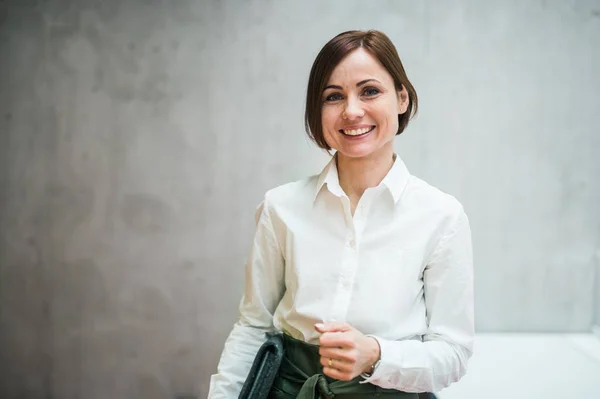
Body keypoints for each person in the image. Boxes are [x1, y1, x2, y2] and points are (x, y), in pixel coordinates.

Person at [208, 30, 474, 399]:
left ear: (402, 97)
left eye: (369, 91)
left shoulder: (442, 217)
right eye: (333, 96)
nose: (351, 111)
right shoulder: (280, 207)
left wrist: (377, 356)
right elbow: (253, 326)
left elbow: (453, 353)